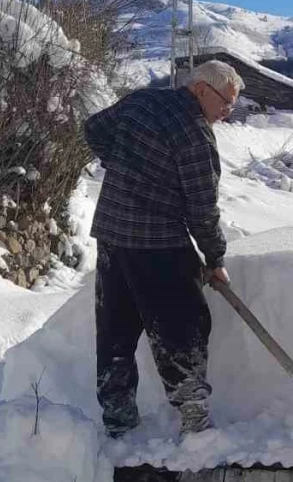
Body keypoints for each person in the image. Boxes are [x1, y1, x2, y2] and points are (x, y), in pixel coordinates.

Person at [83, 60, 244, 438]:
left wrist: (122, 163)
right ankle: (194, 419)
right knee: (182, 326)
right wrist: (215, 258)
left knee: (115, 331)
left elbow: (93, 129)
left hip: (113, 237)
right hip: (158, 245)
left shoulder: (140, 102)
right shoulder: (194, 136)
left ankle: (118, 421)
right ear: (201, 89)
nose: (227, 112)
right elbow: (202, 209)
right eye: (225, 103)